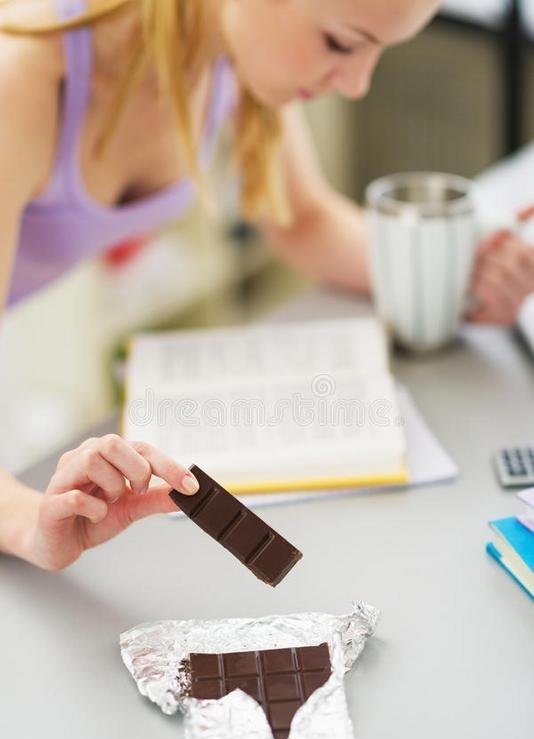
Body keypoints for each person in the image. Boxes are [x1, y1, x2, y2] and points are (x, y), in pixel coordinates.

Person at [4, 0, 507, 573]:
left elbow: (304, 221)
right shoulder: (19, 77)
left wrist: (461, 276)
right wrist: (29, 521)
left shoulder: (221, 38)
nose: (357, 84)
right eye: (341, 44)